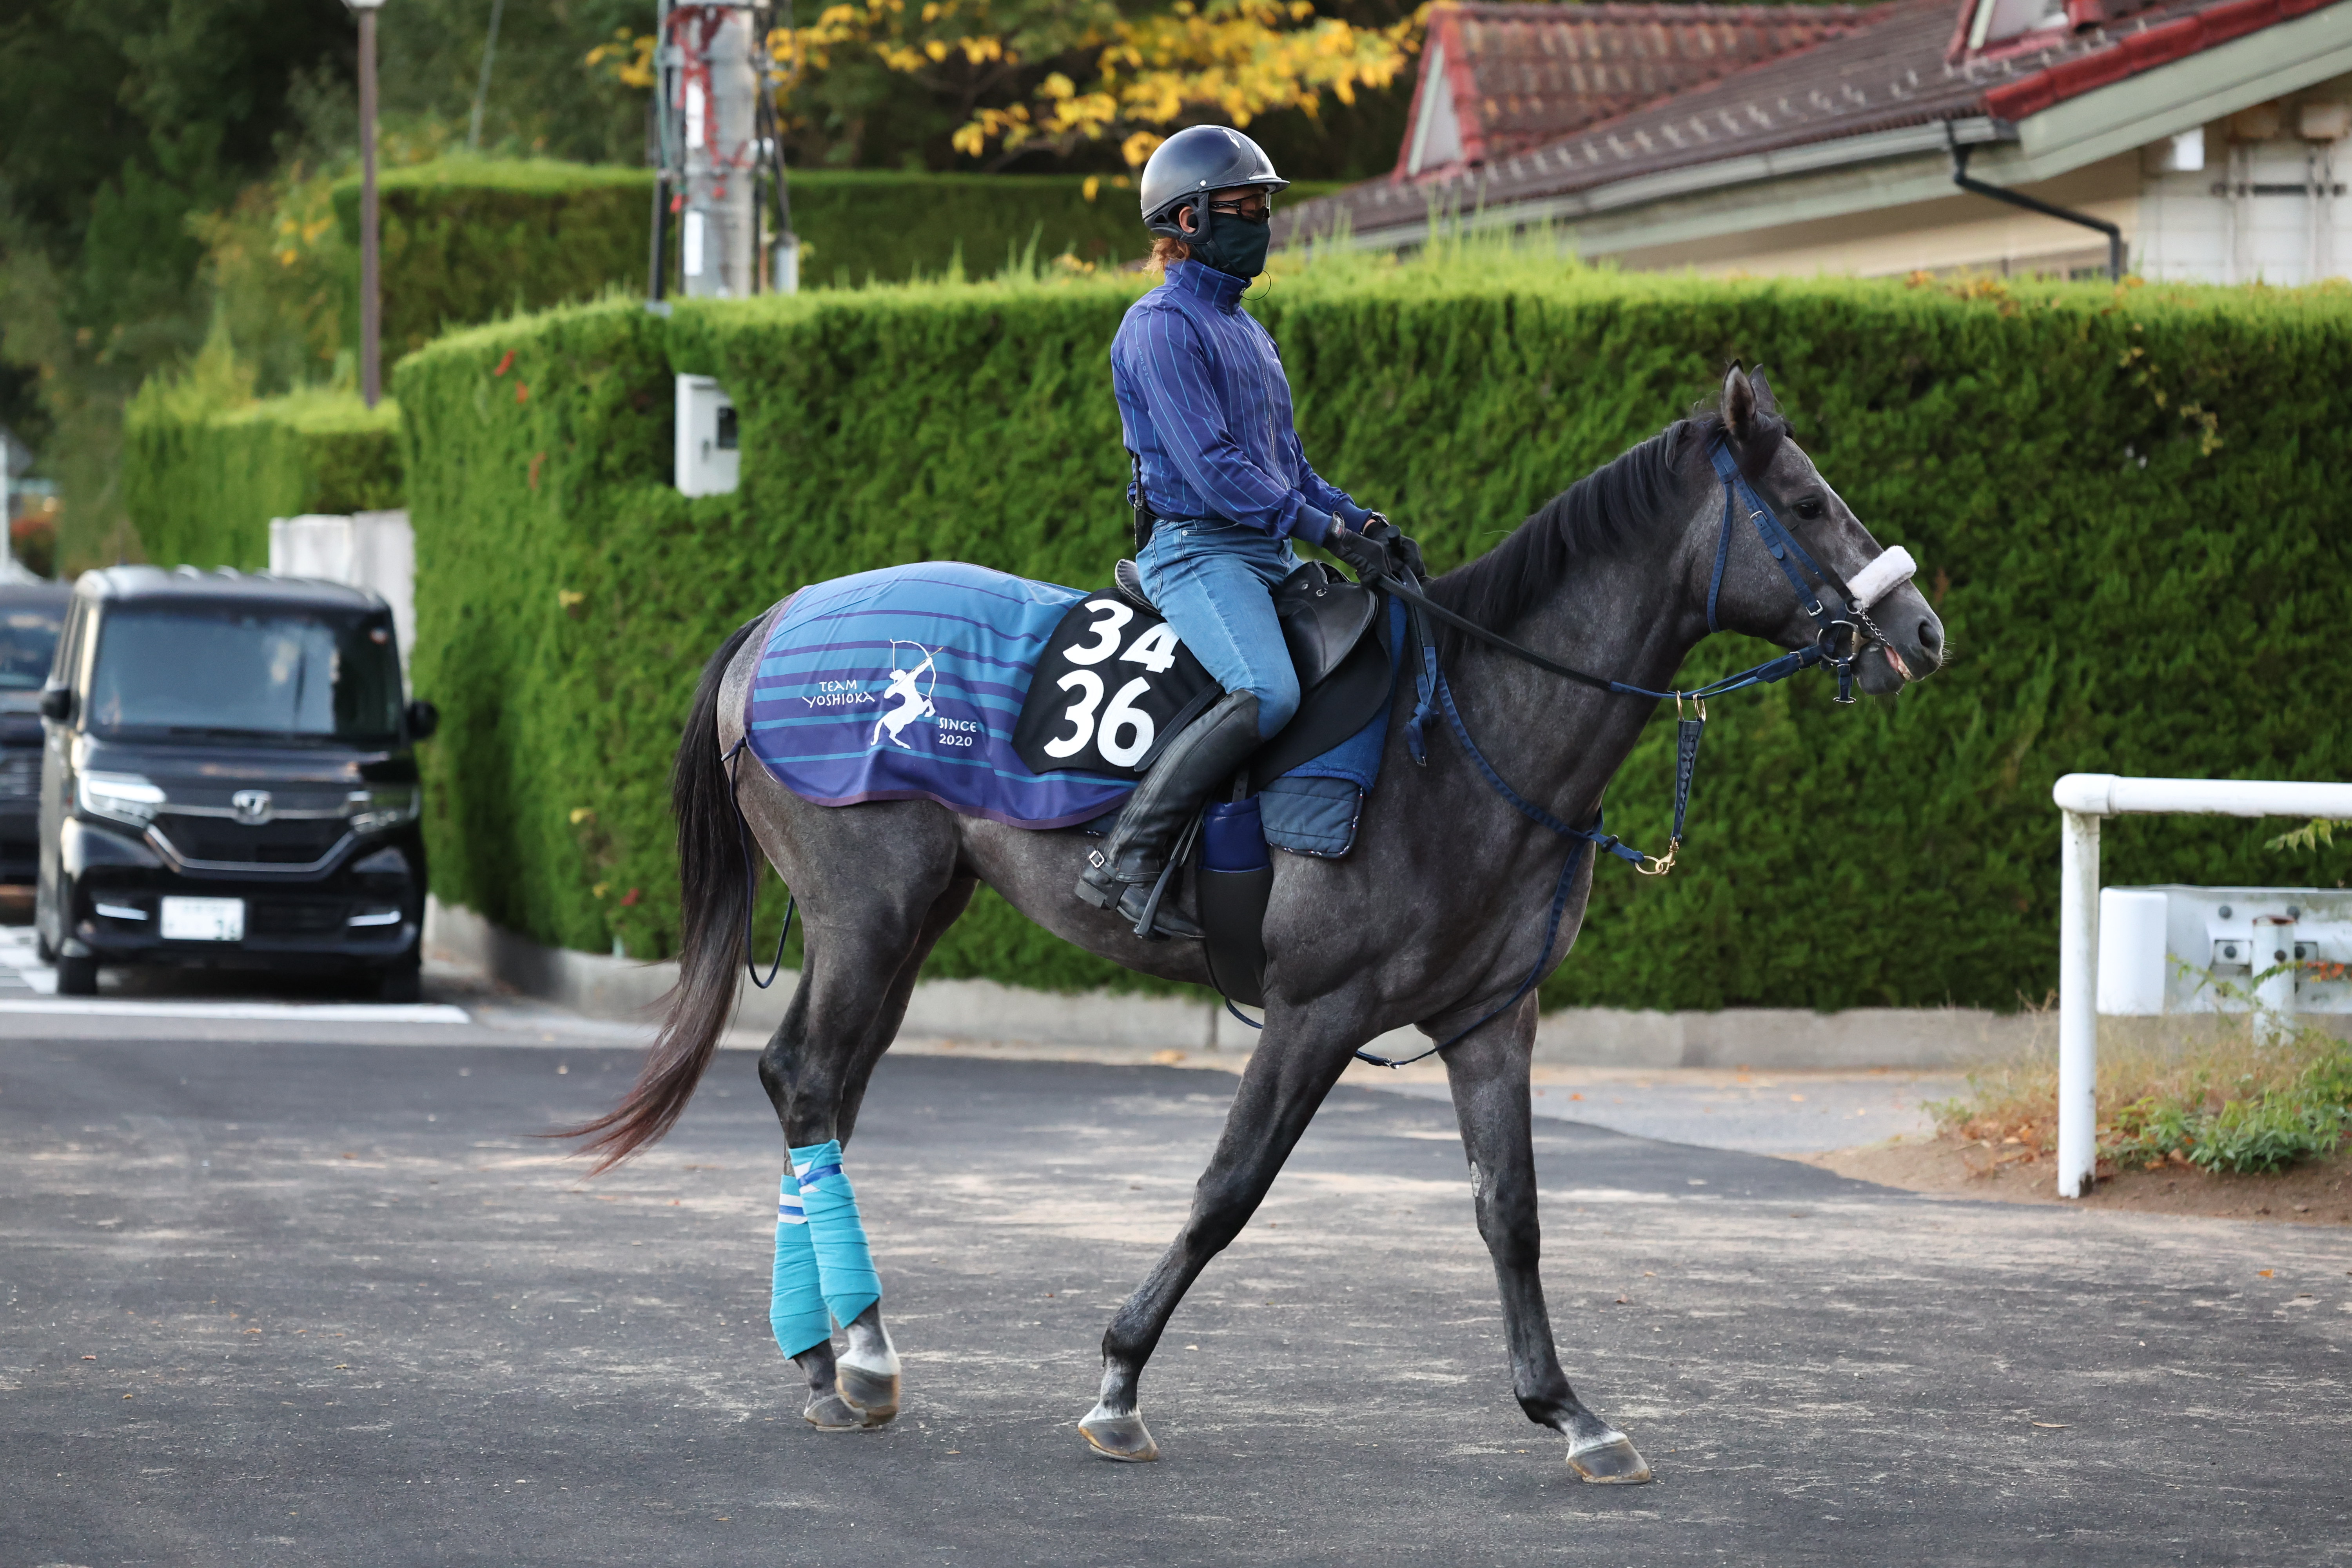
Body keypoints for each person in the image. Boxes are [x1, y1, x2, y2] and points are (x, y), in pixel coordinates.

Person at [1075, 124, 1405, 938]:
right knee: (1269, 690)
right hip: (1194, 550)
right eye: (1245, 206)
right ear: (1186, 222)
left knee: (1387, 641)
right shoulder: (1157, 327)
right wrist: (1322, 530)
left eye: (1264, 205)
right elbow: (1217, 470)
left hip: (1266, 553)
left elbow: (1286, 468)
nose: (1262, 220)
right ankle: (1127, 854)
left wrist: (1361, 521)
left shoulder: (1249, 332)